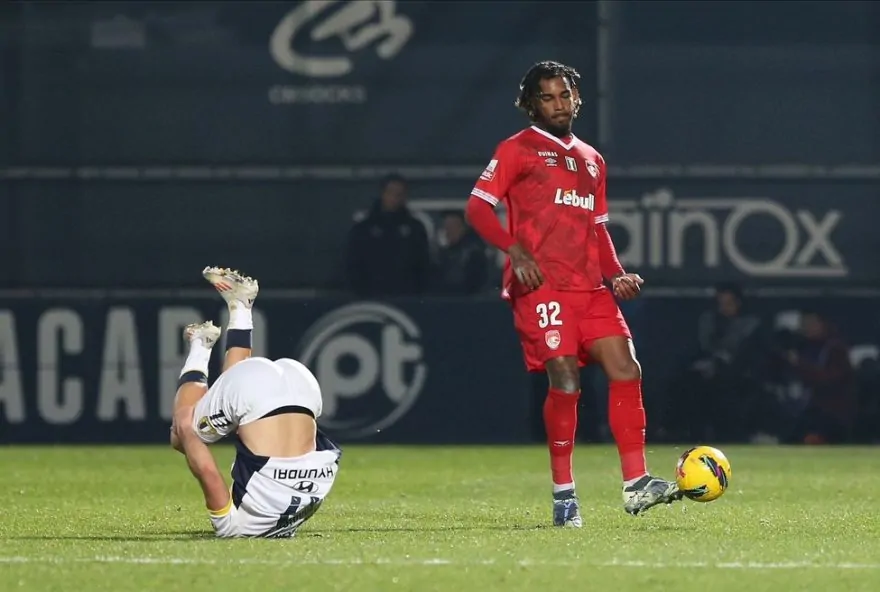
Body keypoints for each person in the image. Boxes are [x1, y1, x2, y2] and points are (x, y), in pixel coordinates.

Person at [464, 61, 680, 528]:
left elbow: (597, 228)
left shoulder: (592, 159)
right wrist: (514, 249)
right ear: (531, 104)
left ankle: (636, 483)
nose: (558, 105)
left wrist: (616, 275)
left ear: (577, 98)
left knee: (626, 367)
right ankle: (564, 495)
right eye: (547, 97)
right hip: (542, 285)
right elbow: (478, 207)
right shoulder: (517, 149)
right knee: (565, 381)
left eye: (565, 95)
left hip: (590, 288)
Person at [170, 266, 341, 539]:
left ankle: (241, 307)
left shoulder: (292, 518)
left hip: (304, 388)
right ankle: (201, 345)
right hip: (255, 394)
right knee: (183, 434)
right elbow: (208, 472)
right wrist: (186, 431)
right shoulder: (236, 529)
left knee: (234, 407)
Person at [345, 174, 431, 298]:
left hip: (407, 297)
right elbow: (353, 265)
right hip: (371, 297)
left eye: (400, 193)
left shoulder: (415, 229)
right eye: (391, 192)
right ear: (382, 194)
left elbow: (423, 266)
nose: (395, 197)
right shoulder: (364, 229)